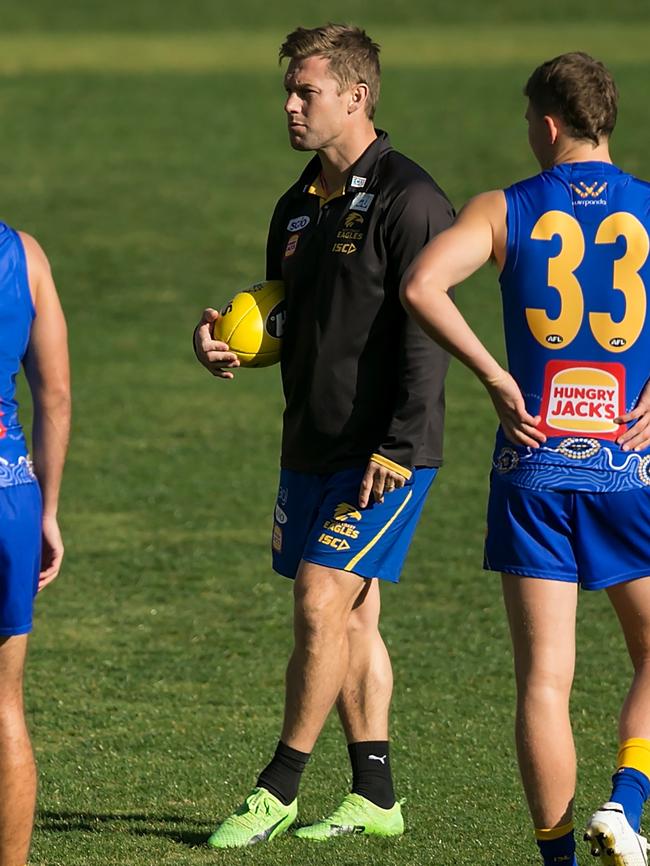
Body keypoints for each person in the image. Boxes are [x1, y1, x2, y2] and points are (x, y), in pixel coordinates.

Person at [193, 23, 453, 848]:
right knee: (350, 621)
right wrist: (225, 341)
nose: (291, 105)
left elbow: (429, 336)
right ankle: (377, 794)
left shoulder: (412, 200)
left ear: (357, 96)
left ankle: (279, 787)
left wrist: (399, 447)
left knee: (318, 603)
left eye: (306, 91)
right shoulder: (296, 207)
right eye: (291, 90)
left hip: (383, 457)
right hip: (308, 445)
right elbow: (291, 325)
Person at [402, 51, 650, 866]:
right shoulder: (647, 209)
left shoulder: (504, 208)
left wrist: (496, 377)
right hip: (629, 471)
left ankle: (558, 864)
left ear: (547, 124)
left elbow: (423, 286)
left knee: (545, 682)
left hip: (534, 469)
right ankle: (627, 800)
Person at [0, 225, 70, 866]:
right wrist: (46, 510)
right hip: (10, 496)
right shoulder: (23, 254)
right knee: (5, 706)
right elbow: (55, 393)